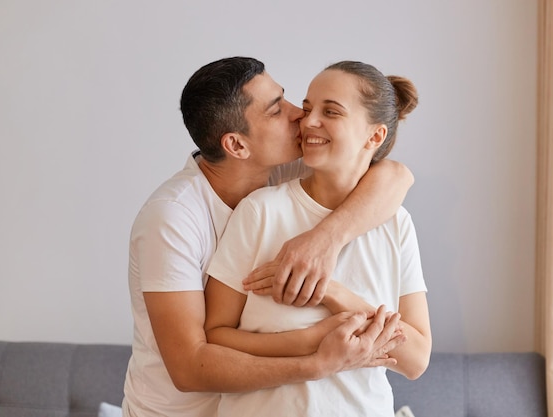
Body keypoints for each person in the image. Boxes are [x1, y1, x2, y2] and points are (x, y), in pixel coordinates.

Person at [121, 56, 415, 417]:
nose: (301, 116)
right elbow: (190, 365)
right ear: (237, 146)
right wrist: (317, 361)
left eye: (289, 100)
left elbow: (395, 175)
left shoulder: (281, 168)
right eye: (277, 110)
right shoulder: (172, 219)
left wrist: (325, 239)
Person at [204, 60, 432, 416]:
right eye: (308, 108)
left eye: (331, 112)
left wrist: (333, 293)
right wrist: (314, 345)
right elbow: (215, 335)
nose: (308, 121)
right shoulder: (260, 211)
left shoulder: (396, 224)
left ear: (374, 136)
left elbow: (415, 359)